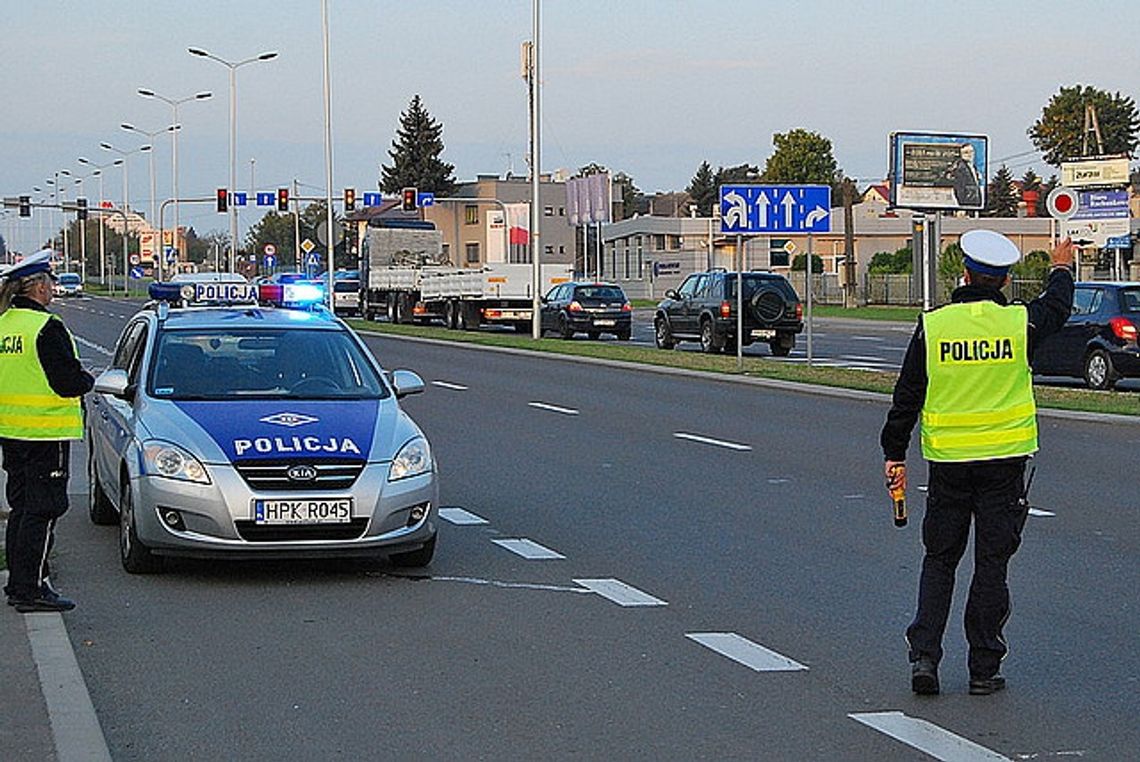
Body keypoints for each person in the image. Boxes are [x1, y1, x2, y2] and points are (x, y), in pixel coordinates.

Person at [881, 231, 1074, 696]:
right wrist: (1062, 265)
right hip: (1003, 467)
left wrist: (894, 453)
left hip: (949, 466)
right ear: (1006, 280)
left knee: (940, 560)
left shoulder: (936, 326)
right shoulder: (1016, 324)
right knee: (991, 566)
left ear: (964, 274)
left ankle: (924, 658)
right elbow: (1057, 309)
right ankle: (984, 669)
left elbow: (907, 395)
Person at [0, 249, 94, 613]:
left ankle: (19, 584)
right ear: (38, 286)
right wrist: (88, 378)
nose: (54, 287)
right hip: (44, 432)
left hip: (12, 431)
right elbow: (67, 382)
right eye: (51, 281)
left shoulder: (5, 324)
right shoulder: (45, 327)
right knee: (45, 509)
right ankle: (32, 588)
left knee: (22, 508)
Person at [944, 143, 982, 208]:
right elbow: (960, 188)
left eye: (971, 151)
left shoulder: (972, 167)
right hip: (968, 202)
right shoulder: (960, 168)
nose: (969, 154)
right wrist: (963, 205)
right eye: (966, 152)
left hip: (973, 202)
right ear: (961, 155)